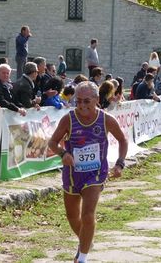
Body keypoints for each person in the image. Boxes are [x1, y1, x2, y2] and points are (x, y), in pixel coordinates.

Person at [48, 81, 128, 263]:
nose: (82, 106)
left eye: (86, 101)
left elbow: (123, 140)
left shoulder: (106, 119)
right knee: (72, 216)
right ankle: (86, 240)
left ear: (97, 99)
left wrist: (120, 164)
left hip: (95, 173)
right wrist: (63, 153)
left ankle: (81, 258)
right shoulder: (69, 119)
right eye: (79, 101)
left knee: (88, 214)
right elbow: (52, 142)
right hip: (72, 173)